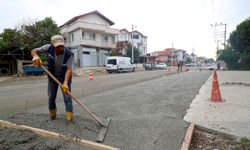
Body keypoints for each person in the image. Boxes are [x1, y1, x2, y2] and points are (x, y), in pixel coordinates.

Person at [31, 35, 74, 121]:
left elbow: (69, 69)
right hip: (52, 76)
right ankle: (53, 116)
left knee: (67, 98)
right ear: (53, 45)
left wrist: (65, 83)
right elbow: (34, 50)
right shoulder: (48, 47)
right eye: (58, 47)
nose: (60, 49)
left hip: (64, 78)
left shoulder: (69, 54)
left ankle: (70, 118)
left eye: (62, 46)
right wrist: (35, 56)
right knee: (51, 97)